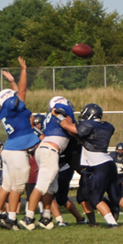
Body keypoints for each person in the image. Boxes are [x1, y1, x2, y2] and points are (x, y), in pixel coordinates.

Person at [55, 103, 123, 228]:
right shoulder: (106, 127)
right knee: (116, 196)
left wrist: (59, 116)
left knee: (95, 198)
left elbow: (67, 126)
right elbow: (81, 135)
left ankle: (112, 223)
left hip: (99, 166)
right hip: (109, 164)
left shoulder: (89, 126)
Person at [0, 57, 41, 231]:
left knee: (7, 185)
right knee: (18, 187)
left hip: (10, 149)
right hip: (18, 151)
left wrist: (12, 82)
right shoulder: (13, 104)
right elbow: (22, 92)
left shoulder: (5, 109)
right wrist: (24, 70)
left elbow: (17, 96)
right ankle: (11, 219)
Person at [21, 97, 75, 231]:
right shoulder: (60, 110)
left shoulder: (51, 116)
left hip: (46, 149)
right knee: (41, 185)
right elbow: (70, 128)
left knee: (51, 187)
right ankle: (28, 217)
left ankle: (45, 218)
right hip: (50, 151)